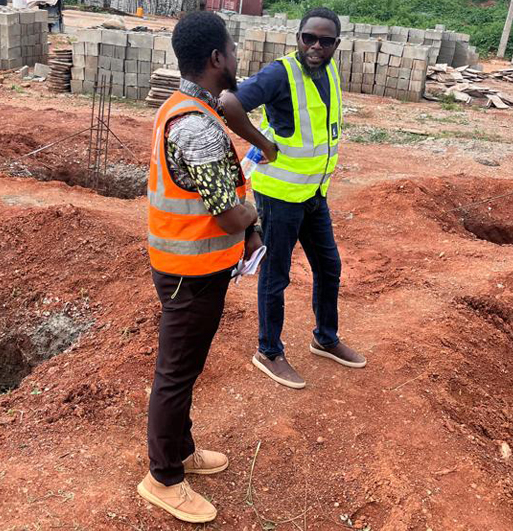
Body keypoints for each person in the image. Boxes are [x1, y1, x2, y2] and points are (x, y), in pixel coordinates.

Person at [138, 11, 262, 524]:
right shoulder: (196, 126)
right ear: (216, 58)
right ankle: (163, 477)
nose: (236, 58)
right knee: (175, 373)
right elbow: (228, 212)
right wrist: (254, 215)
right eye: (232, 50)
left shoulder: (185, 108)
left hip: (190, 268)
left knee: (183, 369)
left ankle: (181, 449)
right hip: (189, 275)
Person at [221, 7, 367, 390]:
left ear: (336, 44)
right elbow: (229, 103)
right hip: (280, 196)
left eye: (325, 41)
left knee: (329, 267)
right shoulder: (280, 73)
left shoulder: (329, 71)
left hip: (314, 193)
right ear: (298, 38)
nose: (316, 46)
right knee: (276, 275)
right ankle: (269, 351)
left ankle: (325, 338)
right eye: (309, 38)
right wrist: (263, 143)